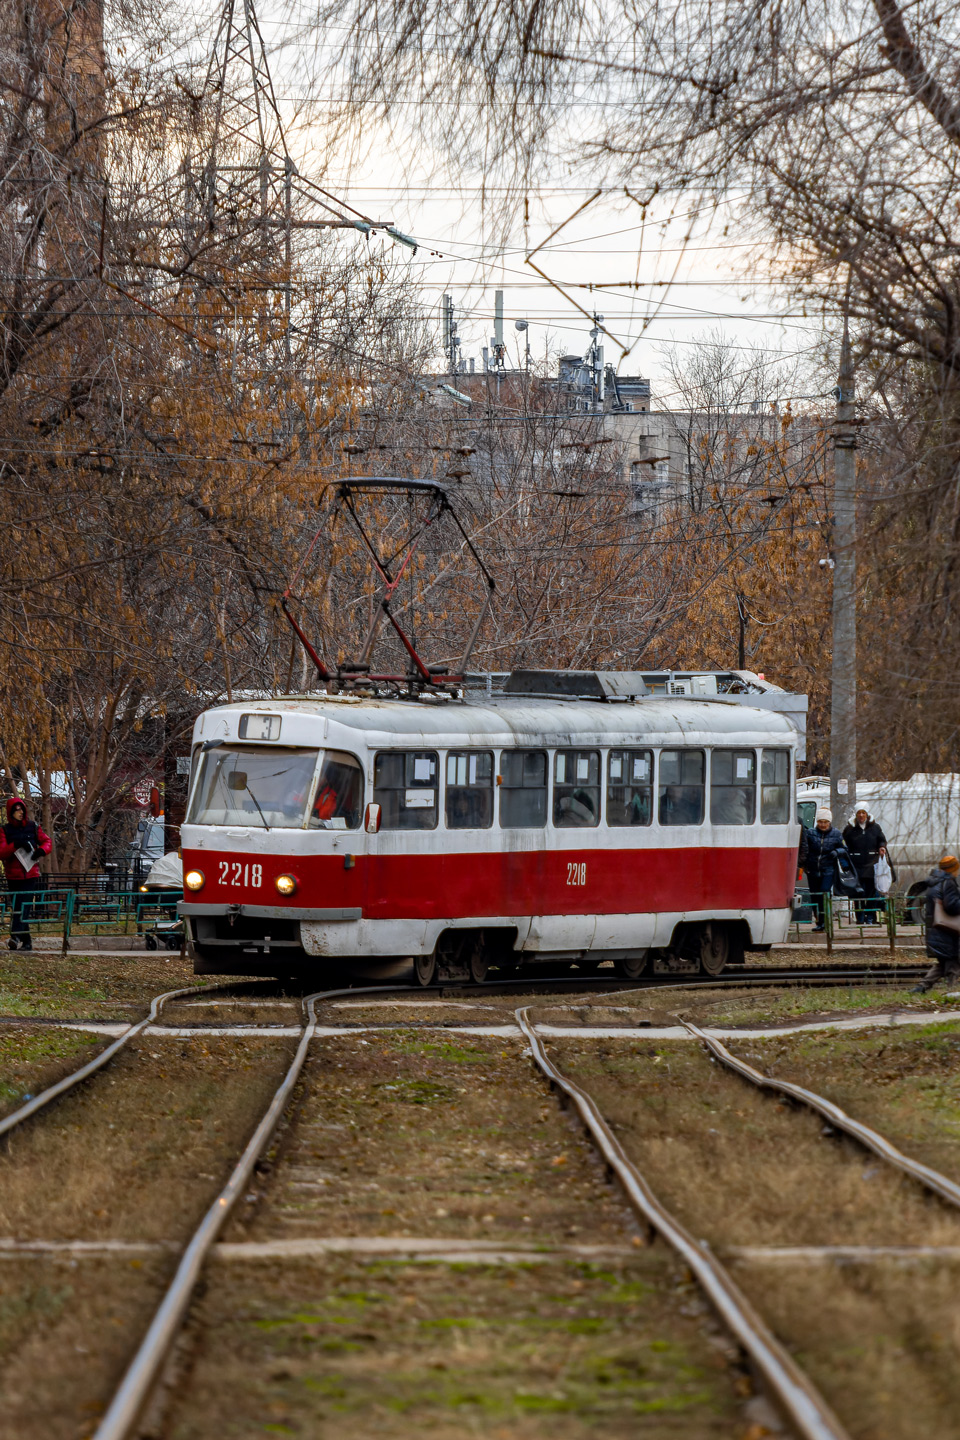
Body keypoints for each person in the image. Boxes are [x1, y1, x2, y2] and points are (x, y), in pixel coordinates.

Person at [0, 798, 52, 951]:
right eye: (16, 810)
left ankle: (15, 936)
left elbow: (47, 842)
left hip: (30, 874)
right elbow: (1, 851)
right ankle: (27, 942)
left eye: (21, 809)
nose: (20, 812)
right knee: (19, 907)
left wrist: (40, 851)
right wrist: (15, 845)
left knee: (24, 906)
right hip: (13, 875)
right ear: (11, 812)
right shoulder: (5, 830)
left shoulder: (33, 827)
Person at [913, 855, 960, 993]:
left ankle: (922, 987)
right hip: (947, 931)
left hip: (937, 930)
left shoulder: (935, 883)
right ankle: (953, 992)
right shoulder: (948, 883)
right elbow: (952, 905)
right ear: (952, 869)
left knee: (943, 963)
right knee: (953, 962)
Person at [803, 807, 847, 931]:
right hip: (812, 870)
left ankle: (825, 921)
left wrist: (836, 852)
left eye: (825, 822)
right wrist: (805, 865)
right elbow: (805, 849)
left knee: (824, 893)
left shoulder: (836, 834)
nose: (823, 824)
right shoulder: (811, 833)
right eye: (820, 822)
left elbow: (844, 849)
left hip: (828, 870)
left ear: (829, 822)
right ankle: (819, 922)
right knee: (815, 896)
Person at [842, 808, 888, 923]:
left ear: (867, 814)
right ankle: (860, 917)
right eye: (859, 813)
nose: (861, 815)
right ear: (856, 815)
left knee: (871, 893)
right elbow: (843, 843)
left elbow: (881, 840)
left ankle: (870, 917)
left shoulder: (875, 827)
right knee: (858, 893)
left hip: (871, 864)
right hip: (856, 865)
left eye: (863, 813)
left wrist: (882, 847)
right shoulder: (849, 829)